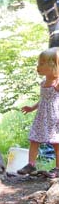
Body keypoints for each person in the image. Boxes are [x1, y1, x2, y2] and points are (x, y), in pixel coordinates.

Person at [17, 47, 59, 178]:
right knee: (34, 139)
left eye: (42, 63)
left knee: (56, 144)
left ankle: (58, 168)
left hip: (54, 117)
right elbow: (43, 100)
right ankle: (31, 164)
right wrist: (31, 108)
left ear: (53, 66)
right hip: (42, 116)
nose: (38, 66)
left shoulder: (57, 83)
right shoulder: (43, 82)